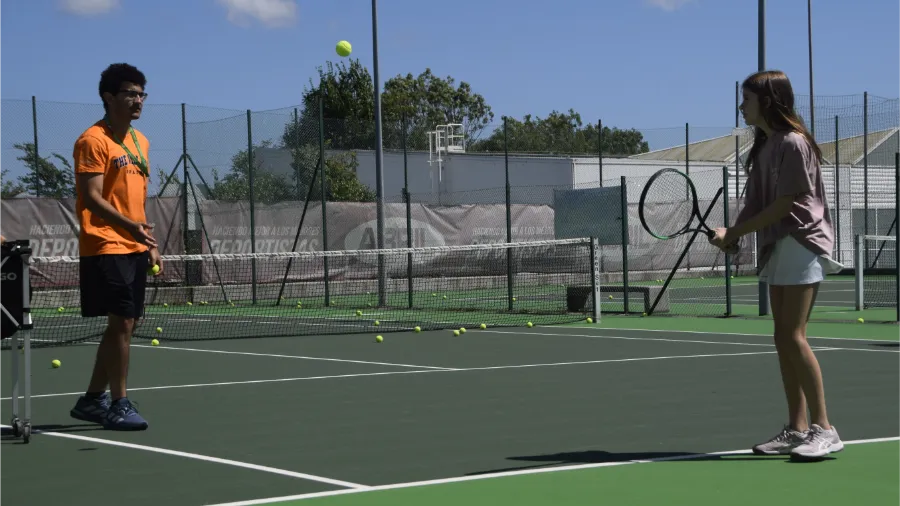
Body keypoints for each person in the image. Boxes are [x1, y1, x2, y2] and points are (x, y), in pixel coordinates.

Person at [709, 70, 844, 460]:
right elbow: (756, 206)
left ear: (767, 102)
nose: (740, 107)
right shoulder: (765, 147)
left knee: (793, 334)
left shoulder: (794, 144)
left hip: (802, 240)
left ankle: (825, 428)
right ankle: (797, 428)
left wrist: (735, 234)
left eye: (746, 100)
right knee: (781, 336)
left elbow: (786, 205)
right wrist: (731, 235)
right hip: (779, 244)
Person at [68, 63, 161, 431]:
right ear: (109, 98)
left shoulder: (141, 142)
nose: (138, 100)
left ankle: (92, 399)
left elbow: (137, 199)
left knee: (127, 323)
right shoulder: (92, 140)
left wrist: (148, 242)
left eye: (141, 94)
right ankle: (119, 404)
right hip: (105, 242)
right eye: (130, 94)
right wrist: (131, 229)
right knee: (121, 321)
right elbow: (90, 198)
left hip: (134, 243)